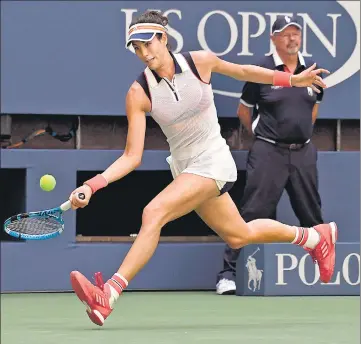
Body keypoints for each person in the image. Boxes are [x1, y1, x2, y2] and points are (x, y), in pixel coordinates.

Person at [68, 11, 335, 327]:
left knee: (154, 213)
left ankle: (108, 294)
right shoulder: (138, 93)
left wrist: (291, 79)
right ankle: (315, 237)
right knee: (239, 235)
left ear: (163, 38)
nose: (144, 53)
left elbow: (244, 71)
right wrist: (94, 184)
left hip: (213, 161)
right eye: (136, 48)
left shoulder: (200, 62)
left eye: (147, 44)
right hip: (185, 168)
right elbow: (131, 156)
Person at [216, 16, 327, 295]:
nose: (292, 39)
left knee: (312, 215)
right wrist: (264, 133)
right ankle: (228, 275)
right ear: (274, 38)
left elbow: (313, 107)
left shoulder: (312, 70)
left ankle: (323, 277)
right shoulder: (260, 70)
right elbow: (244, 111)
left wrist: (299, 132)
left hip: (303, 153)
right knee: (253, 213)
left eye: (296, 34)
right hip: (268, 152)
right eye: (285, 34)